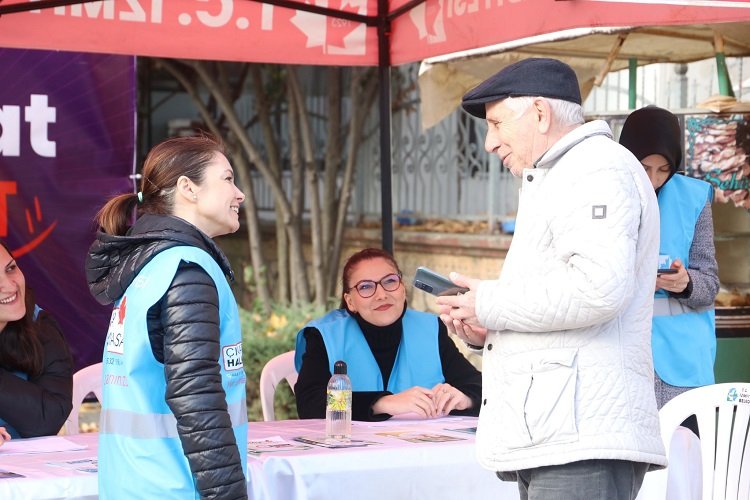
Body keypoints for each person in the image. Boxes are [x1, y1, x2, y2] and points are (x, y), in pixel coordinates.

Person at [435, 58, 667, 500]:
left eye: (498, 123)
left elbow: (598, 289)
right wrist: (490, 328)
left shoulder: (595, 168)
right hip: (559, 432)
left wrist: (489, 302)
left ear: (540, 113)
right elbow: (558, 300)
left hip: (582, 439)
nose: (488, 142)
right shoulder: (562, 173)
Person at [85, 134, 248, 499]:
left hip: (133, 483)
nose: (239, 194)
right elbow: (196, 395)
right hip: (175, 486)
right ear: (188, 188)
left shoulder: (148, 264)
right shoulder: (186, 269)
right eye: (227, 178)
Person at [294, 248, 482, 421]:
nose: (381, 294)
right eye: (366, 287)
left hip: (420, 451)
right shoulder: (325, 335)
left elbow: (481, 388)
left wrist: (465, 399)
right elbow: (310, 403)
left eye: (390, 281)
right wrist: (381, 403)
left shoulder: (430, 328)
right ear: (350, 301)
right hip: (349, 451)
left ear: (402, 288)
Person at [619, 106, 719, 411]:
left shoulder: (695, 197)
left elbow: (710, 284)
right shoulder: (605, 194)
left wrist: (686, 283)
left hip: (683, 363)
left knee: (686, 455)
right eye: (644, 167)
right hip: (621, 358)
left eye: (664, 170)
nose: (653, 179)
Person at [0, 241, 73, 439]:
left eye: (11, 269)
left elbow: (48, 419)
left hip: (24, 465)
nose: (9, 285)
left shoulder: (39, 327)